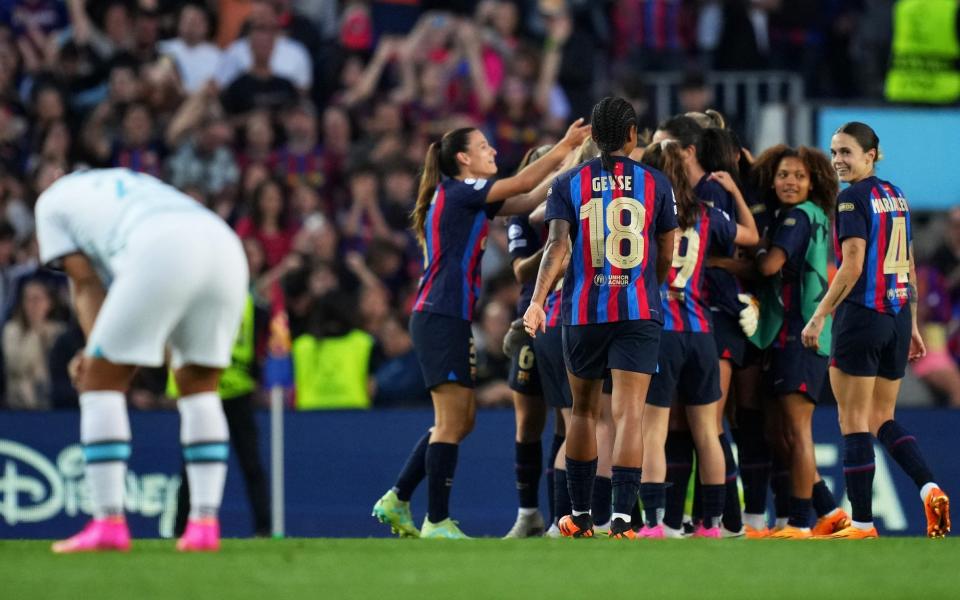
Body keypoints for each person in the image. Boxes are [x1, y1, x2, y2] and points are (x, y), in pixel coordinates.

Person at [372, 117, 591, 539]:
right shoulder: (458, 190)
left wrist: (573, 172)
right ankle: (436, 520)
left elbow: (530, 197)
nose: (492, 152)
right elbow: (523, 180)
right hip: (440, 314)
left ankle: (398, 497)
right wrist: (567, 145)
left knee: (460, 420)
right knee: (452, 422)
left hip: (448, 315)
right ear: (463, 159)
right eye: (485, 147)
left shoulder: (465, 197)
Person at [36, 167, 248, 552]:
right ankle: (203, 524)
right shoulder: (128, 181)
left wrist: (94, 353)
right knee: (199, 387)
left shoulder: (51, 202)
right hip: (223, 244)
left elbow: (84, 280)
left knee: (99, 381)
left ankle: (108, 522)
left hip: (160, 247)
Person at [524, 96, 678, 539]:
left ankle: (580, 515)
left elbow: (556, 248)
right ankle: (626, 520)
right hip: (637, 311)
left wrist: (538, 300)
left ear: (591, 134)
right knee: (630, 414)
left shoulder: (568, 183)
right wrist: (648, 284)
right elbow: (665, 252)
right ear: (632, 135)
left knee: (584, 414)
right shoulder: (656, 184)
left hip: (584, 312)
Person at [801, 122, 950, 539]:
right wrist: (914, 323)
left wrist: (819, 316)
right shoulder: (895, 195)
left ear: (871, 155)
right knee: (883, 417)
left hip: (862, 317)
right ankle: (929, 487)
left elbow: (852, 264)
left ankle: (863, 524)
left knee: (853, 421)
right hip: (897, 318)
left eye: (847, 152)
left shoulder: (851, 200)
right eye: (833, 153)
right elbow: (909, 261)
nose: (837, 161)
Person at [636, 140, 757, 539]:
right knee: (708, 431)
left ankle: (654, 524)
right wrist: (738, 193)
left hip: (661, 331)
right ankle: (714, 525)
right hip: (702, 332)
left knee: (653, 429)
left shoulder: (645, 213)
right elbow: (752, 237)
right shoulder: (708, 214)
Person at [748, 144, 850, 539]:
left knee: (796, 429)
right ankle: (815, 514)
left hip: (801, 336)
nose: (790, 182)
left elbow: (770, 265)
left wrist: (748, 249)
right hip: (786, 335)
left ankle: (802, 522)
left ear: (814, 182)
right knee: (779, 432)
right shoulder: (810, 215)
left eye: (799, 176)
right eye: (784, 175)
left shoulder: (798, 217)